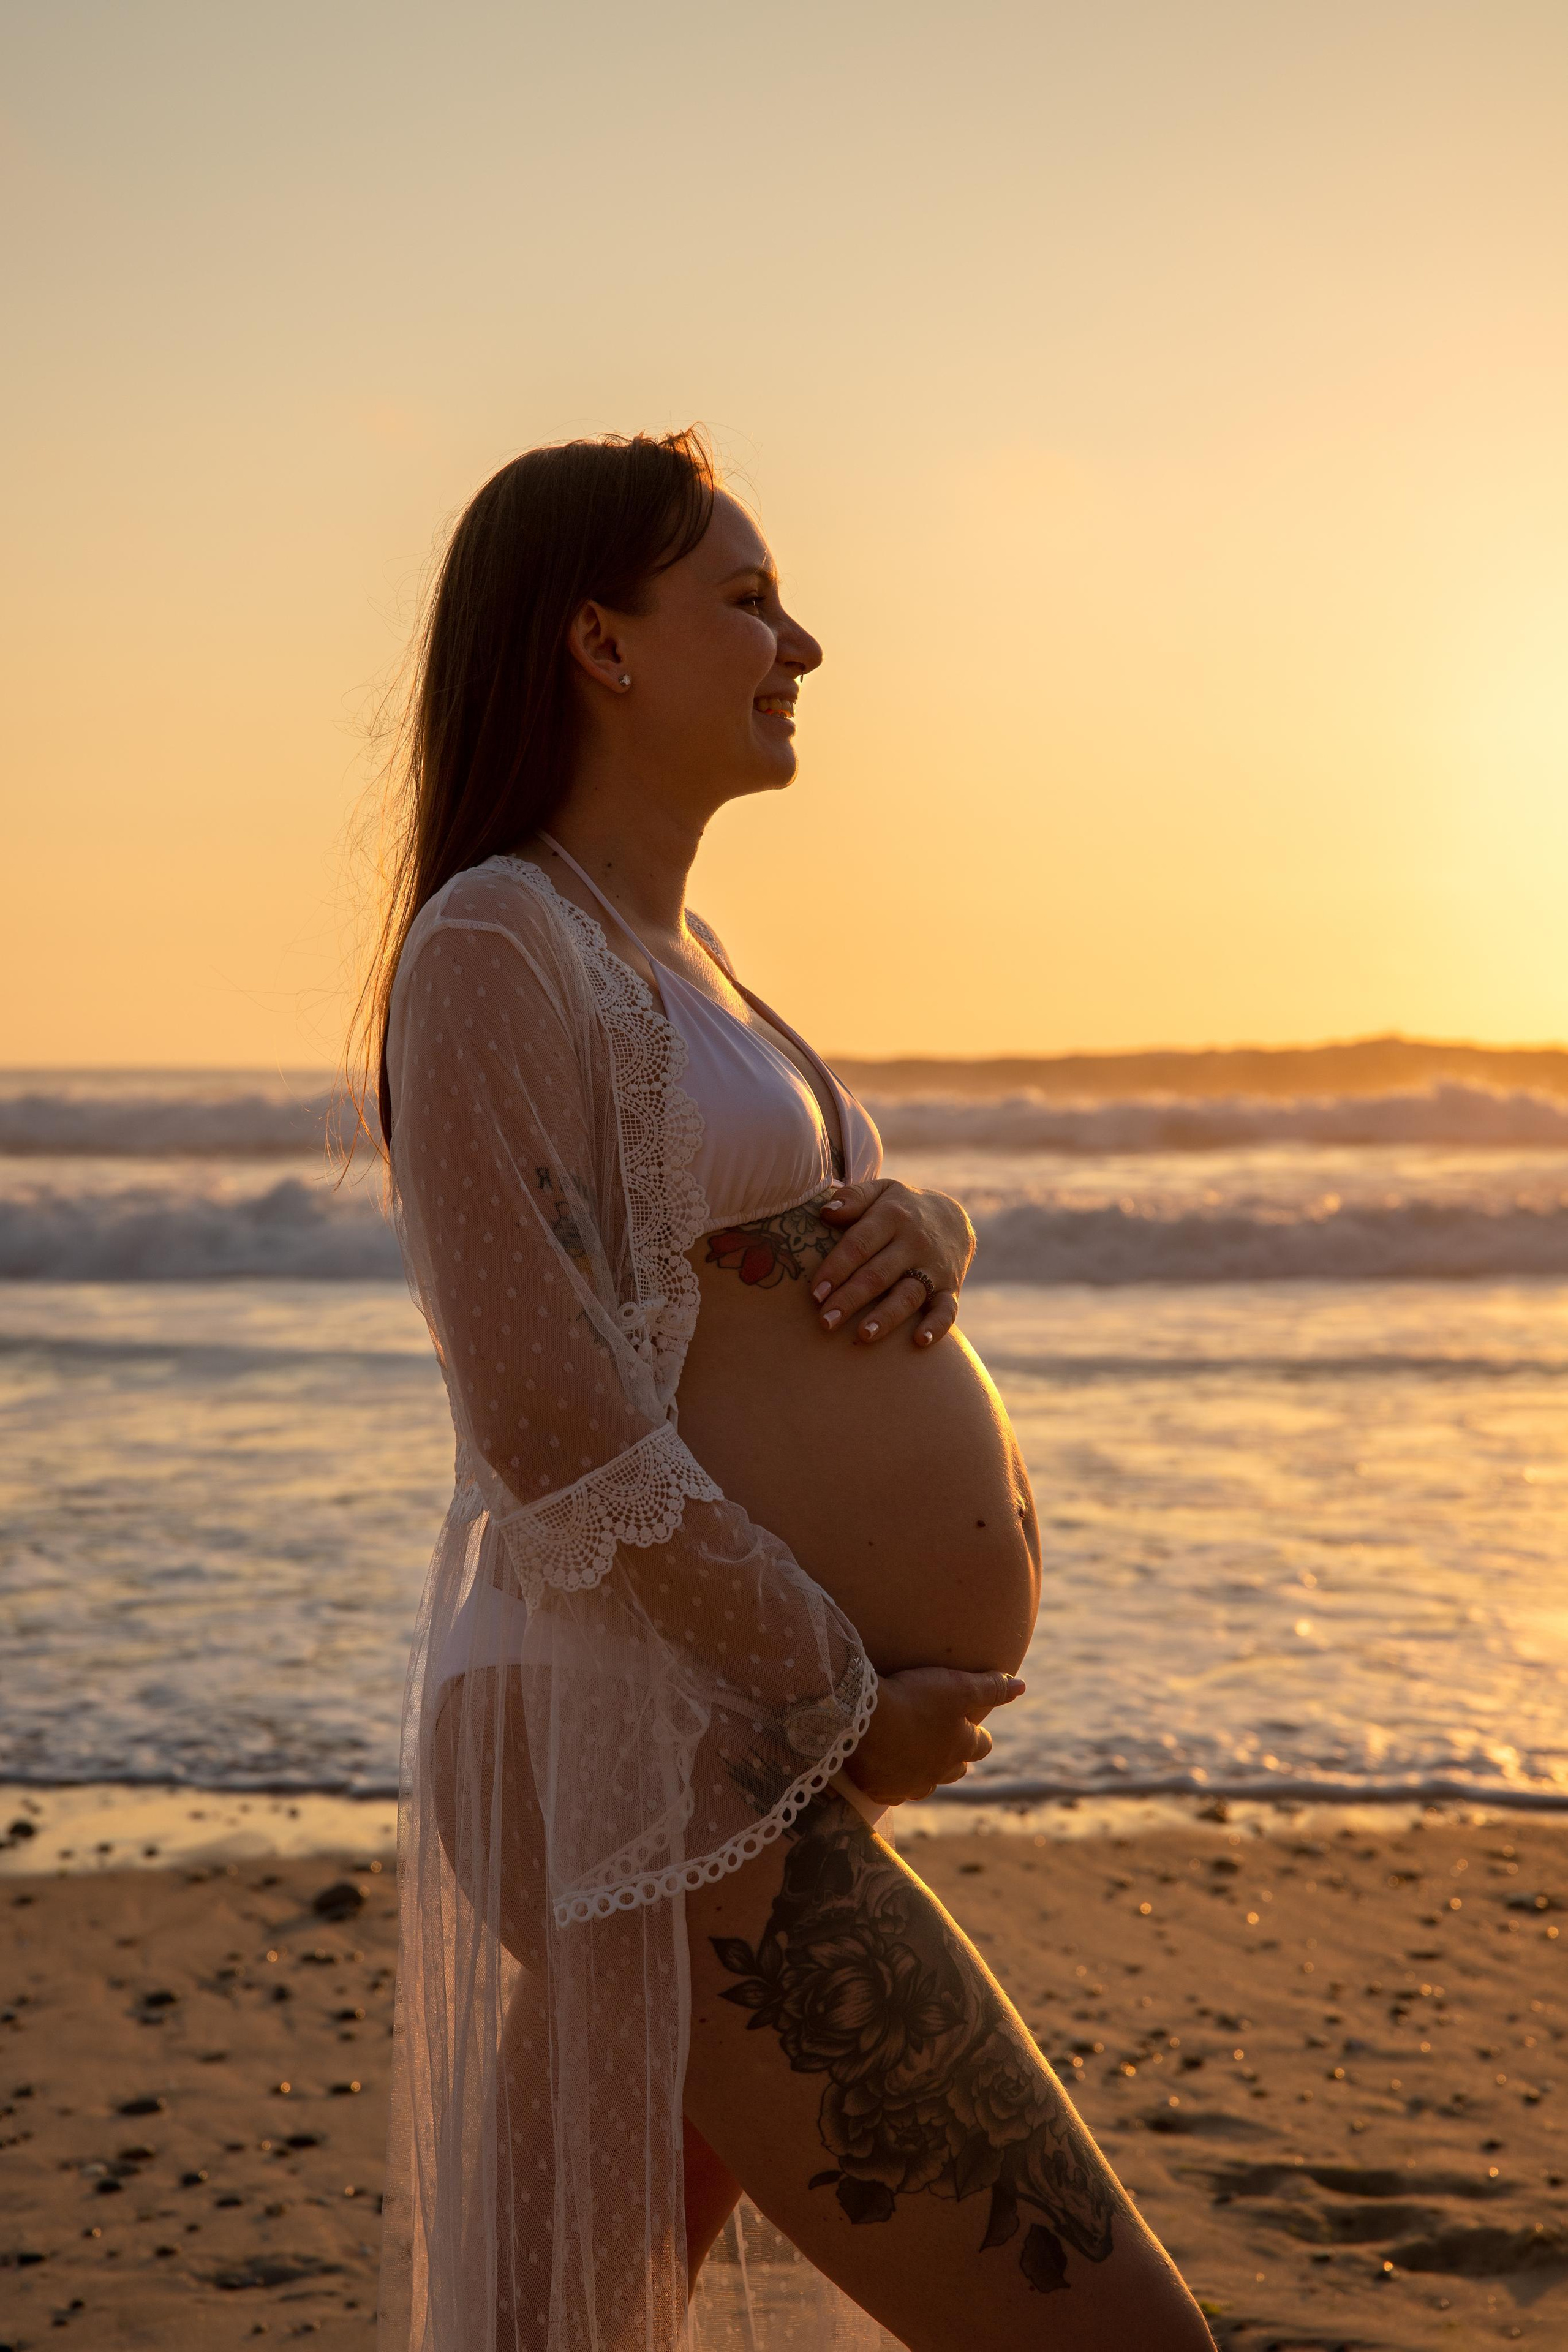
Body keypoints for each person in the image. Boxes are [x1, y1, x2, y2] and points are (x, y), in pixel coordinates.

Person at [363, 429, 1213, 2351]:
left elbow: (771, 1252)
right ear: (597, 641)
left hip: (718, 1750)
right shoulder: (498, 940)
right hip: (650, 1745)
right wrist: (838, 1711)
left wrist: (930, 1223)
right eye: (744, 598)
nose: (800, 640)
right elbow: (548, 1418)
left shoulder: (697, 963)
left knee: (564, 2327)